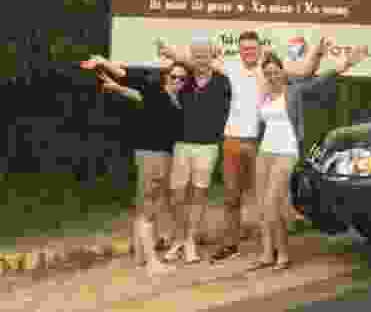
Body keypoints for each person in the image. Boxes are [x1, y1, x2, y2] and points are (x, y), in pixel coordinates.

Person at [156, 32, 343, 263]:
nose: (248, 52)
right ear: (239, 49)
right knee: (231, 198)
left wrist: (317, 52)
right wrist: (171, 53)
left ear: (259, 49)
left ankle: (274, 247)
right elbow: (198, 62)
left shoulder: (268, 71)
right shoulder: (230, 68)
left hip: (259, 142)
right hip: (231, 141)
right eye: (244, 48)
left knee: (265, 199)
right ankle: (231, 244)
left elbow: (305, 71)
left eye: (252, 48)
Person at [248, 45, 369, 271]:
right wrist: (262, 56)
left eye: (275, 71)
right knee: (262, 206)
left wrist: (346, 64)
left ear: (283, 71)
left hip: (287, 151)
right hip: (265, 152)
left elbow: (320, 79)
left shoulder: (294, 90)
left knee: (273, 204)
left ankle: (282, 254)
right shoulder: (265, 94)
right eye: (268, 73)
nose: (272, 76)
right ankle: (266, 253)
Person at [83, 56, 190, 276]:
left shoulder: (173, 99)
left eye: (182, 78)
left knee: (147, 205)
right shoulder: (158, 91)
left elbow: (136, 95)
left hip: (161, 156)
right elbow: (127, 75)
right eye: (173, 76)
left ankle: (141, 257)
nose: (177, 80)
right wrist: (102, 61)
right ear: (165, 77)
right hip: (151, 155)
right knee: (148, 208)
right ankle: (152, 263)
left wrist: (116, 89)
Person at [163, 36, 232, 264]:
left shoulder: (223, 81)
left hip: (208, 147)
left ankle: (190, 241)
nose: (201, 60)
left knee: (198, 195)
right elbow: (169, 99)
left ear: (212, 57)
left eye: (205, 55)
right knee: (177, 196)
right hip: (181, 144)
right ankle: (179, 240)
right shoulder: (183, 79)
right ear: (192, 58)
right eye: (197, 55)